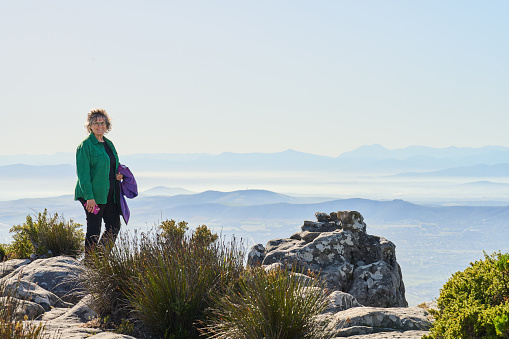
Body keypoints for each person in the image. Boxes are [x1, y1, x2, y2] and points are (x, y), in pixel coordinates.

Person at [74, 108, 124, 254]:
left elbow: (111, 165)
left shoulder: (109, 144)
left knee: (114, 226)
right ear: (89, 126)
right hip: (92, 195)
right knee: (94, 229)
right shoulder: (85, 146)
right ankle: (90, 263)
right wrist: (89, 198)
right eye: (96, 123)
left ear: (107, 125)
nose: (99, 125)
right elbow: (83, 175)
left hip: (109, 193)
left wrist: (118, 175)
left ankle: (100, 258)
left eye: (102, 123)